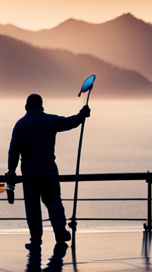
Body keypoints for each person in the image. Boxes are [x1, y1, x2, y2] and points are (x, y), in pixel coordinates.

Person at [7, 93, 90, 250]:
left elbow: (14, 150)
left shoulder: (20, 125)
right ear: (41, 106)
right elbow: (70, 122)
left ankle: (36, 239)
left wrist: (11, 169)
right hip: (49, 171)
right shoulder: (50, 120)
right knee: (54, 202)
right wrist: (82, 114)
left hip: (30, 174)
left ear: (26, 107)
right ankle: (60, 233)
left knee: (32, 207)